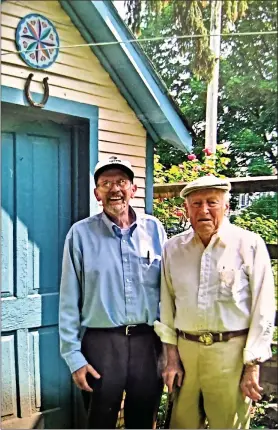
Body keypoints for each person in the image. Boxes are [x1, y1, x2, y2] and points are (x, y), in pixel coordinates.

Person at [155, 175, 275, 429]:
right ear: (186, 210)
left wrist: (252, 365)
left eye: (212, 202)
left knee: (228, 425)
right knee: (182, 424)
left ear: (226, 207)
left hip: (230, 354)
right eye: (196, 204)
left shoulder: (249, 245)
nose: (204, 210)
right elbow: (166, 305)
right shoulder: (172, 249)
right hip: (186, 354)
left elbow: (263, 309)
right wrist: (171, 359)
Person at [59, 156, 167, 429]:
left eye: (121, 182)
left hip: (148, 343)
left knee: (144, 420)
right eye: (106, 183)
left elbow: (168, 293)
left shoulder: (155, 230)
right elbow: (69, 300)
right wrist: (74, 358)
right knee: (100, 420)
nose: (114, 189)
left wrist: (170, 350)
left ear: (133, 189)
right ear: (97, 193)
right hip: (101, 344)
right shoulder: (80, 234)